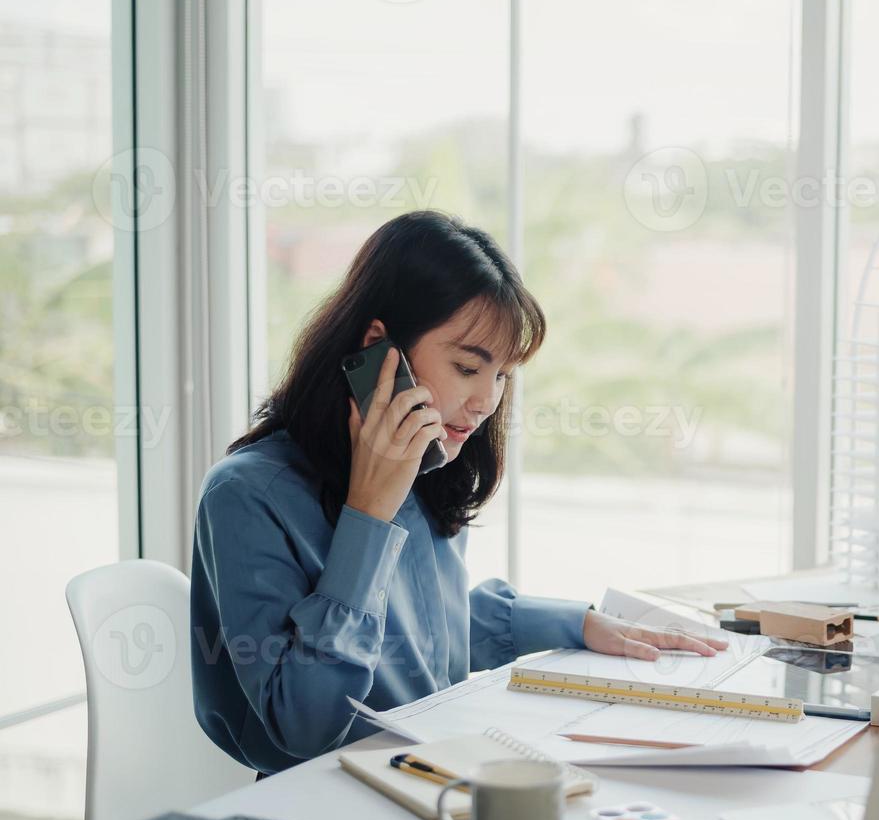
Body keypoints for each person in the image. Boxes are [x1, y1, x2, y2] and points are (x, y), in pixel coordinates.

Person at [191, 210, 724, 776]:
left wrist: (578, 624)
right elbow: (305, 724)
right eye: (468, 367)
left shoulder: (428, 466)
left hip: (431, 773)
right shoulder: (247, 495)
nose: (485, 401)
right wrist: (368, 516)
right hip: (318, 805)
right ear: (379, 347)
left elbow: (420, 632)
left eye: (502, 376)